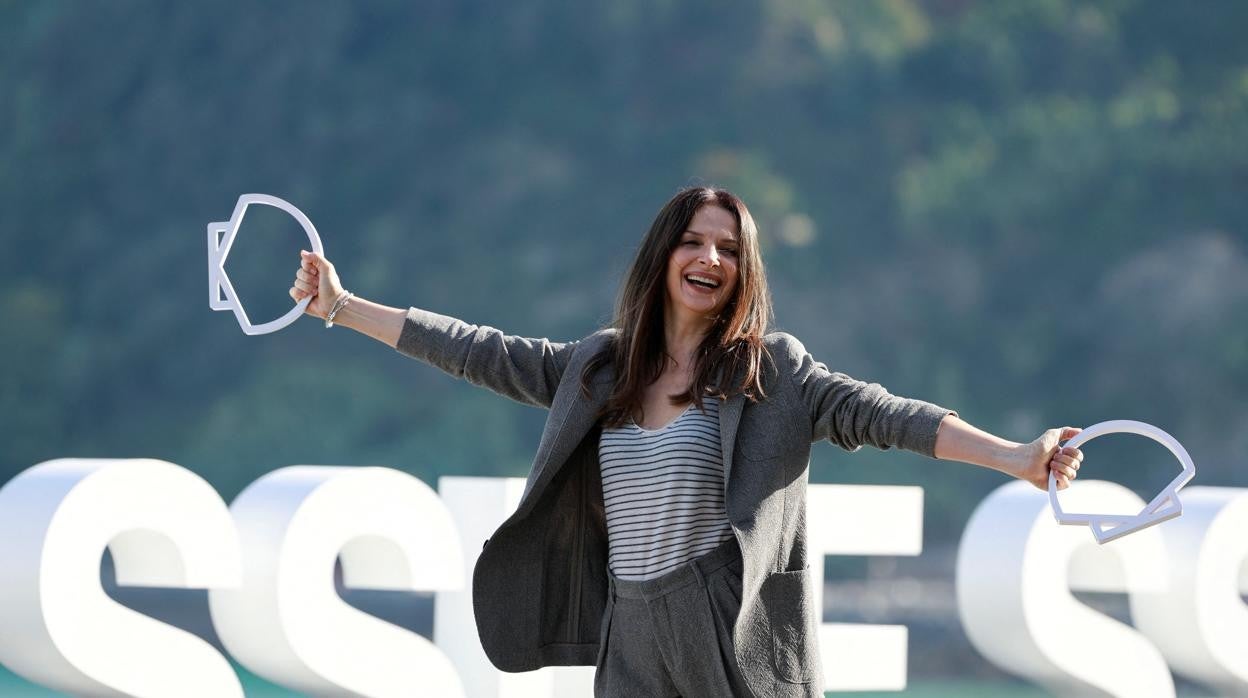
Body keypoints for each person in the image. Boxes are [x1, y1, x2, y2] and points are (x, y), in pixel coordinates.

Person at [288, 186, 1084, 698]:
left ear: (744, 272)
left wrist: (1015, 457)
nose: (711, 258)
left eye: (730, 249)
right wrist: (342, 305)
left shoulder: (772, 371)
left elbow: (887, 415)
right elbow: (478, 349)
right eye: (695, 241)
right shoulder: (600, 367)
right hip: (627, 622)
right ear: (663, 253)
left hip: (720, 619)